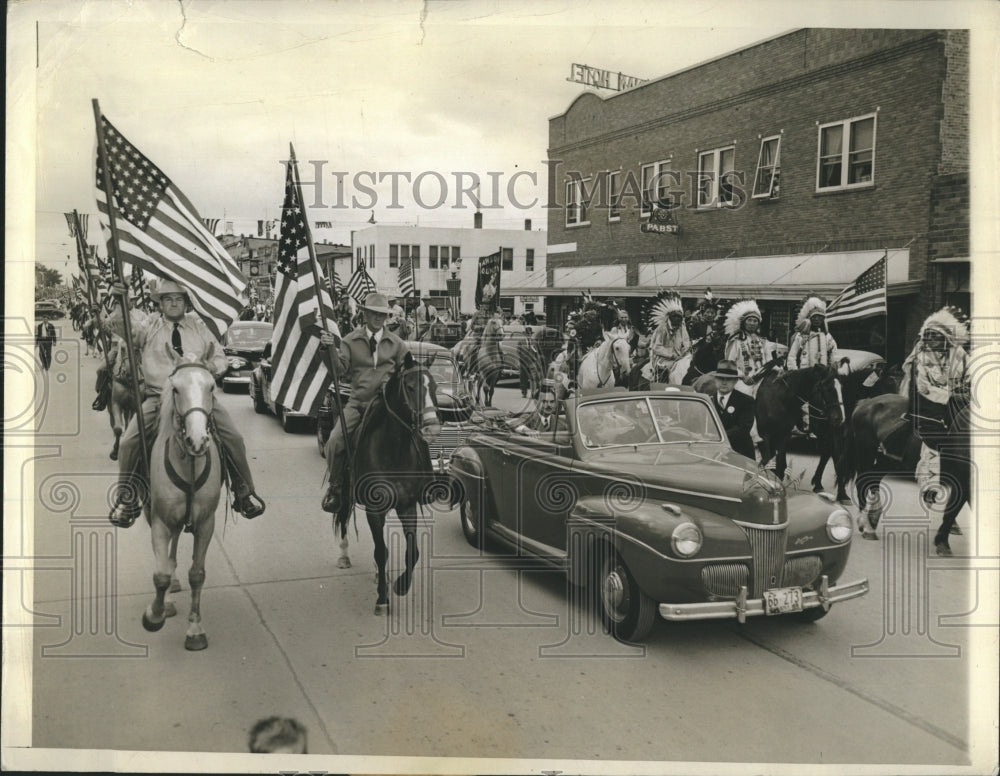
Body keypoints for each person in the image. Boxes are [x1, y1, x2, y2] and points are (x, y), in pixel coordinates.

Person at [105, 279, 265, 527]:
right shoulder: (149, 325)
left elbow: (221, 358)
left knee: (233, 437)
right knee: (128, 442)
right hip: (158, 397)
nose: (173, 303)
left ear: (187, 302)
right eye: (167, 299)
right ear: (160, 303)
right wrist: (119, 303)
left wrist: (209, 368)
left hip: (199, 398)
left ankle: (243, 491)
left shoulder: (200, 326)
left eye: (179, 299)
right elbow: (124, 330)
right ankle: (127, 497)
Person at [321, 292, 411, 513]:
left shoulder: (397, 343)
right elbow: (338, 370)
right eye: (374, 313)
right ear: (365, 314)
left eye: (382, 314)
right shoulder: (350, 341)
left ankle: (423, 482)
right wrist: (327, 349)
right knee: (334, 441)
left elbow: (408, 370)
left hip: (387, 408)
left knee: (418, 436)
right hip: (358, 404)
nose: (378, 318)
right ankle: (336, 486)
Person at [899, 307, 970, 509]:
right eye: (927, 336)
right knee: (936, 434)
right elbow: (925, 388)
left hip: (957, 401)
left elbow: (971, 373)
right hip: (928, 404)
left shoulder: (959, 354)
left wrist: (968, 389)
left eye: (935, 336)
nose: (929, 340)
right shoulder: (922, 356)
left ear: (946, 338)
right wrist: (952, 396)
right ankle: (930, 485)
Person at [723, 299, 775, 397]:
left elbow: (769, 361)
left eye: (755, 321)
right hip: (741, 381)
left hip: (762, 379)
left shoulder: (763, 341)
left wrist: (777, 369)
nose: (752, 323)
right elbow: (729, 362)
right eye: (749, 320)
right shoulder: (736, 340)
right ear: (744, 322)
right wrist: (743, 376)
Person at [710, 359, 755, 459]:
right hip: (715, 454)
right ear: (715, 379)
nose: (724, 382)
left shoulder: (746, 401)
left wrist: (718, 436)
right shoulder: (708, 401)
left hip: (740, 453)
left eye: (729, 379)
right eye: (721, 378)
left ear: (735, 381)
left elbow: (743, 428)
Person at [649, 291, 690, 384]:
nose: (678, 319)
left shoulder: (682, 328)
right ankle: (660, 387)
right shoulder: (662, 328)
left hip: (680, 357)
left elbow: (687, 342)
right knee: (663, 371)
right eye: (675, 316)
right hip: (664, 359)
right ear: (669, 317)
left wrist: (684, 352)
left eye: (680, 317)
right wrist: (671, 354)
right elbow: (656, 347)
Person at [787, 297, 838, 369]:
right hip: (805, 374)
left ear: (823, 319)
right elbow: (792, 356)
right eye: (814, 317)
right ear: (810, 319)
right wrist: (795, 373)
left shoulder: (828, 337)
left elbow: (834, 356)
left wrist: (832, 371)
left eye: (820, 317)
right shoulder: (801, 336)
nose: (817, 319)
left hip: (823, 375)